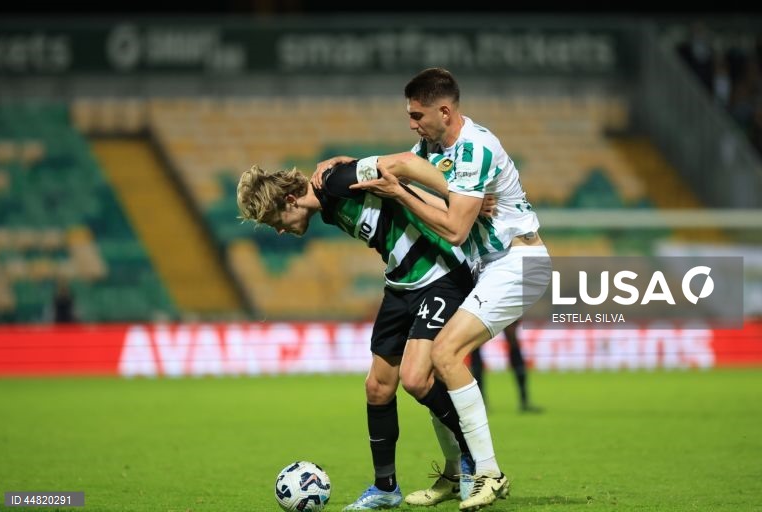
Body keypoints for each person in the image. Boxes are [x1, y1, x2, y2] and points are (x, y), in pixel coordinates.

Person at [315, 67, 552, 511]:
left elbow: (455, 229)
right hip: (488, 268)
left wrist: (402, 194)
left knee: (443, 355)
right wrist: (342, 165)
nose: (412, 123)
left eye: (417, 114)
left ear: (445, 110)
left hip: (518, 263)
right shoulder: (432, 145)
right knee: (419, 374)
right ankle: (451, 472)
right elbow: (399, 168)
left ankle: (487, 472)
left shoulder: (478, 148)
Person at [236, 158, 476, 511]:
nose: (280, 231)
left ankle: (474, 462)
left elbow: (403, 165)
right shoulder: (329, 202)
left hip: (439, 274)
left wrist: (457, 203)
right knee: (377, 388)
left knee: (416, 378)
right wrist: (344, 159)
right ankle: (386, 488)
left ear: (289, 201)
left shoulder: (335, 182)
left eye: (276, 222)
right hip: (401, 283)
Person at [469, 319, 543, 413]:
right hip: (496, 306)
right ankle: (524, 402)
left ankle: (482, 403)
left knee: (476, 347)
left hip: (482, 307)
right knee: (512, 343)